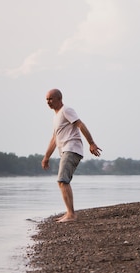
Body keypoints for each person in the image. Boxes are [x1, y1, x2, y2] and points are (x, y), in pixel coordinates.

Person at [41, 89, 102, 222]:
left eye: (51, 99)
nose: (48, 102)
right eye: (46, 99)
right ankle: (69, 212)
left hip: (72, 148)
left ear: (59, 98)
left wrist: (91, 143)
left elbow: (80, 124)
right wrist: (46, 157)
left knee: (62, 180)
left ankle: (71, 214)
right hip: (65, 150)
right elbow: (54, 138)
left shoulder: (66, 110)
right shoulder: (56, 116)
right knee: (62, 181)